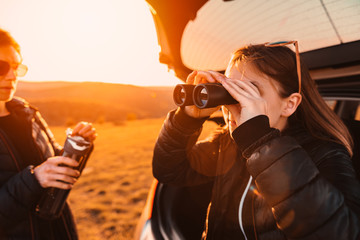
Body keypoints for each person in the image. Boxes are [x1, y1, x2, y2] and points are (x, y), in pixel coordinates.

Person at [152, 41, 360, 239]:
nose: (232, 104)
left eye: (247, 92)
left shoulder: (325, 153)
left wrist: (260, 142)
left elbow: (339, 233)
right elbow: (169, 170)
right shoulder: (229, 143)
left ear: (289, 104)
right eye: (229, 91)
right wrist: (186, 121)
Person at [0, 28, 97, 239]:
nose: (11, 76)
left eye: (16, 67)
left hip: (59, 230)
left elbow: (54, 166)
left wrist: (77, 147)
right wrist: (34, 179)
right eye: (1, 67)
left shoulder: (28, 114)